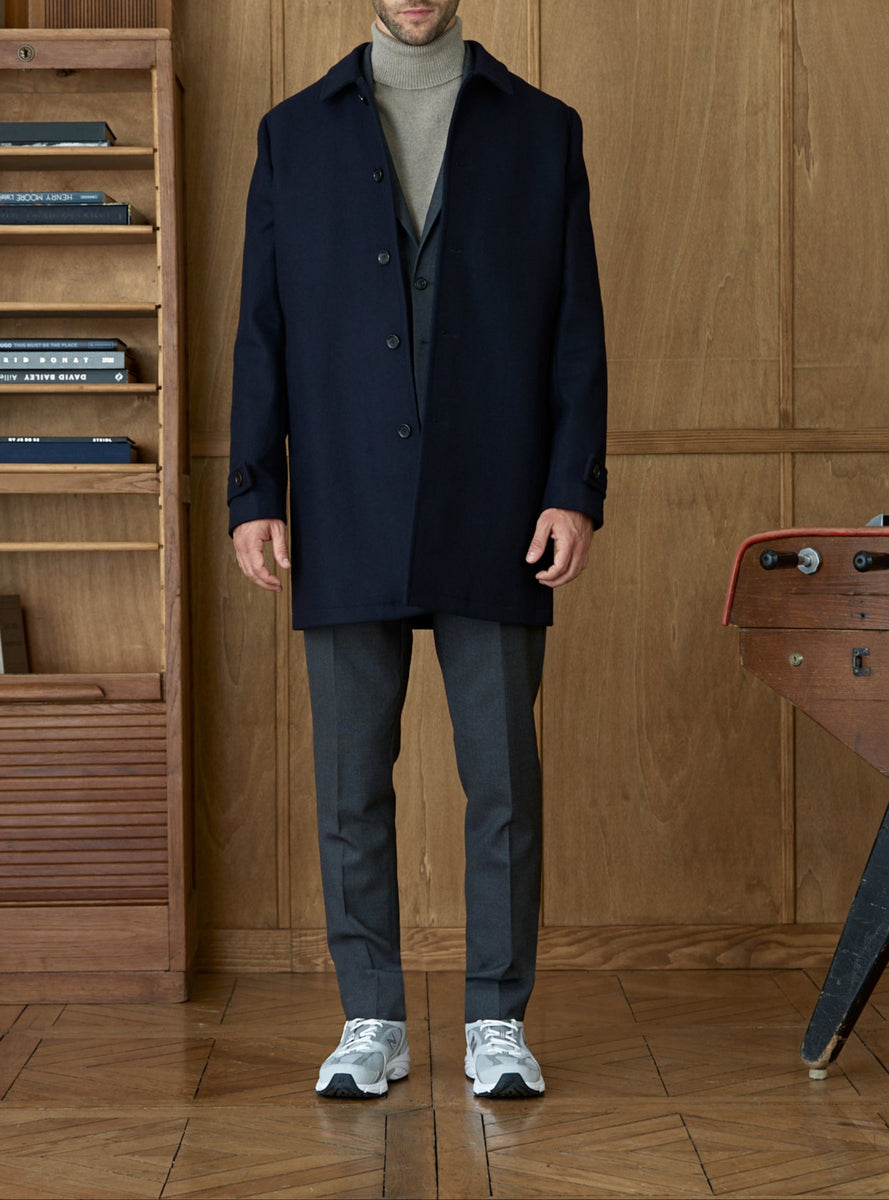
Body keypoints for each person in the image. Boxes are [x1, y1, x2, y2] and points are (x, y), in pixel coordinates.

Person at [228, 0, 607, 1100]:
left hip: (499, 501)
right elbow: (262, 326)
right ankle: (371, 1018)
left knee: (503, 783)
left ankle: (496, 1018)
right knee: (351, 786)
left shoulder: (541, 129)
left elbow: (575, 325)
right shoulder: (293, 134)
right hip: (343, 496)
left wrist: (571, 490)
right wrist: (256, 489)